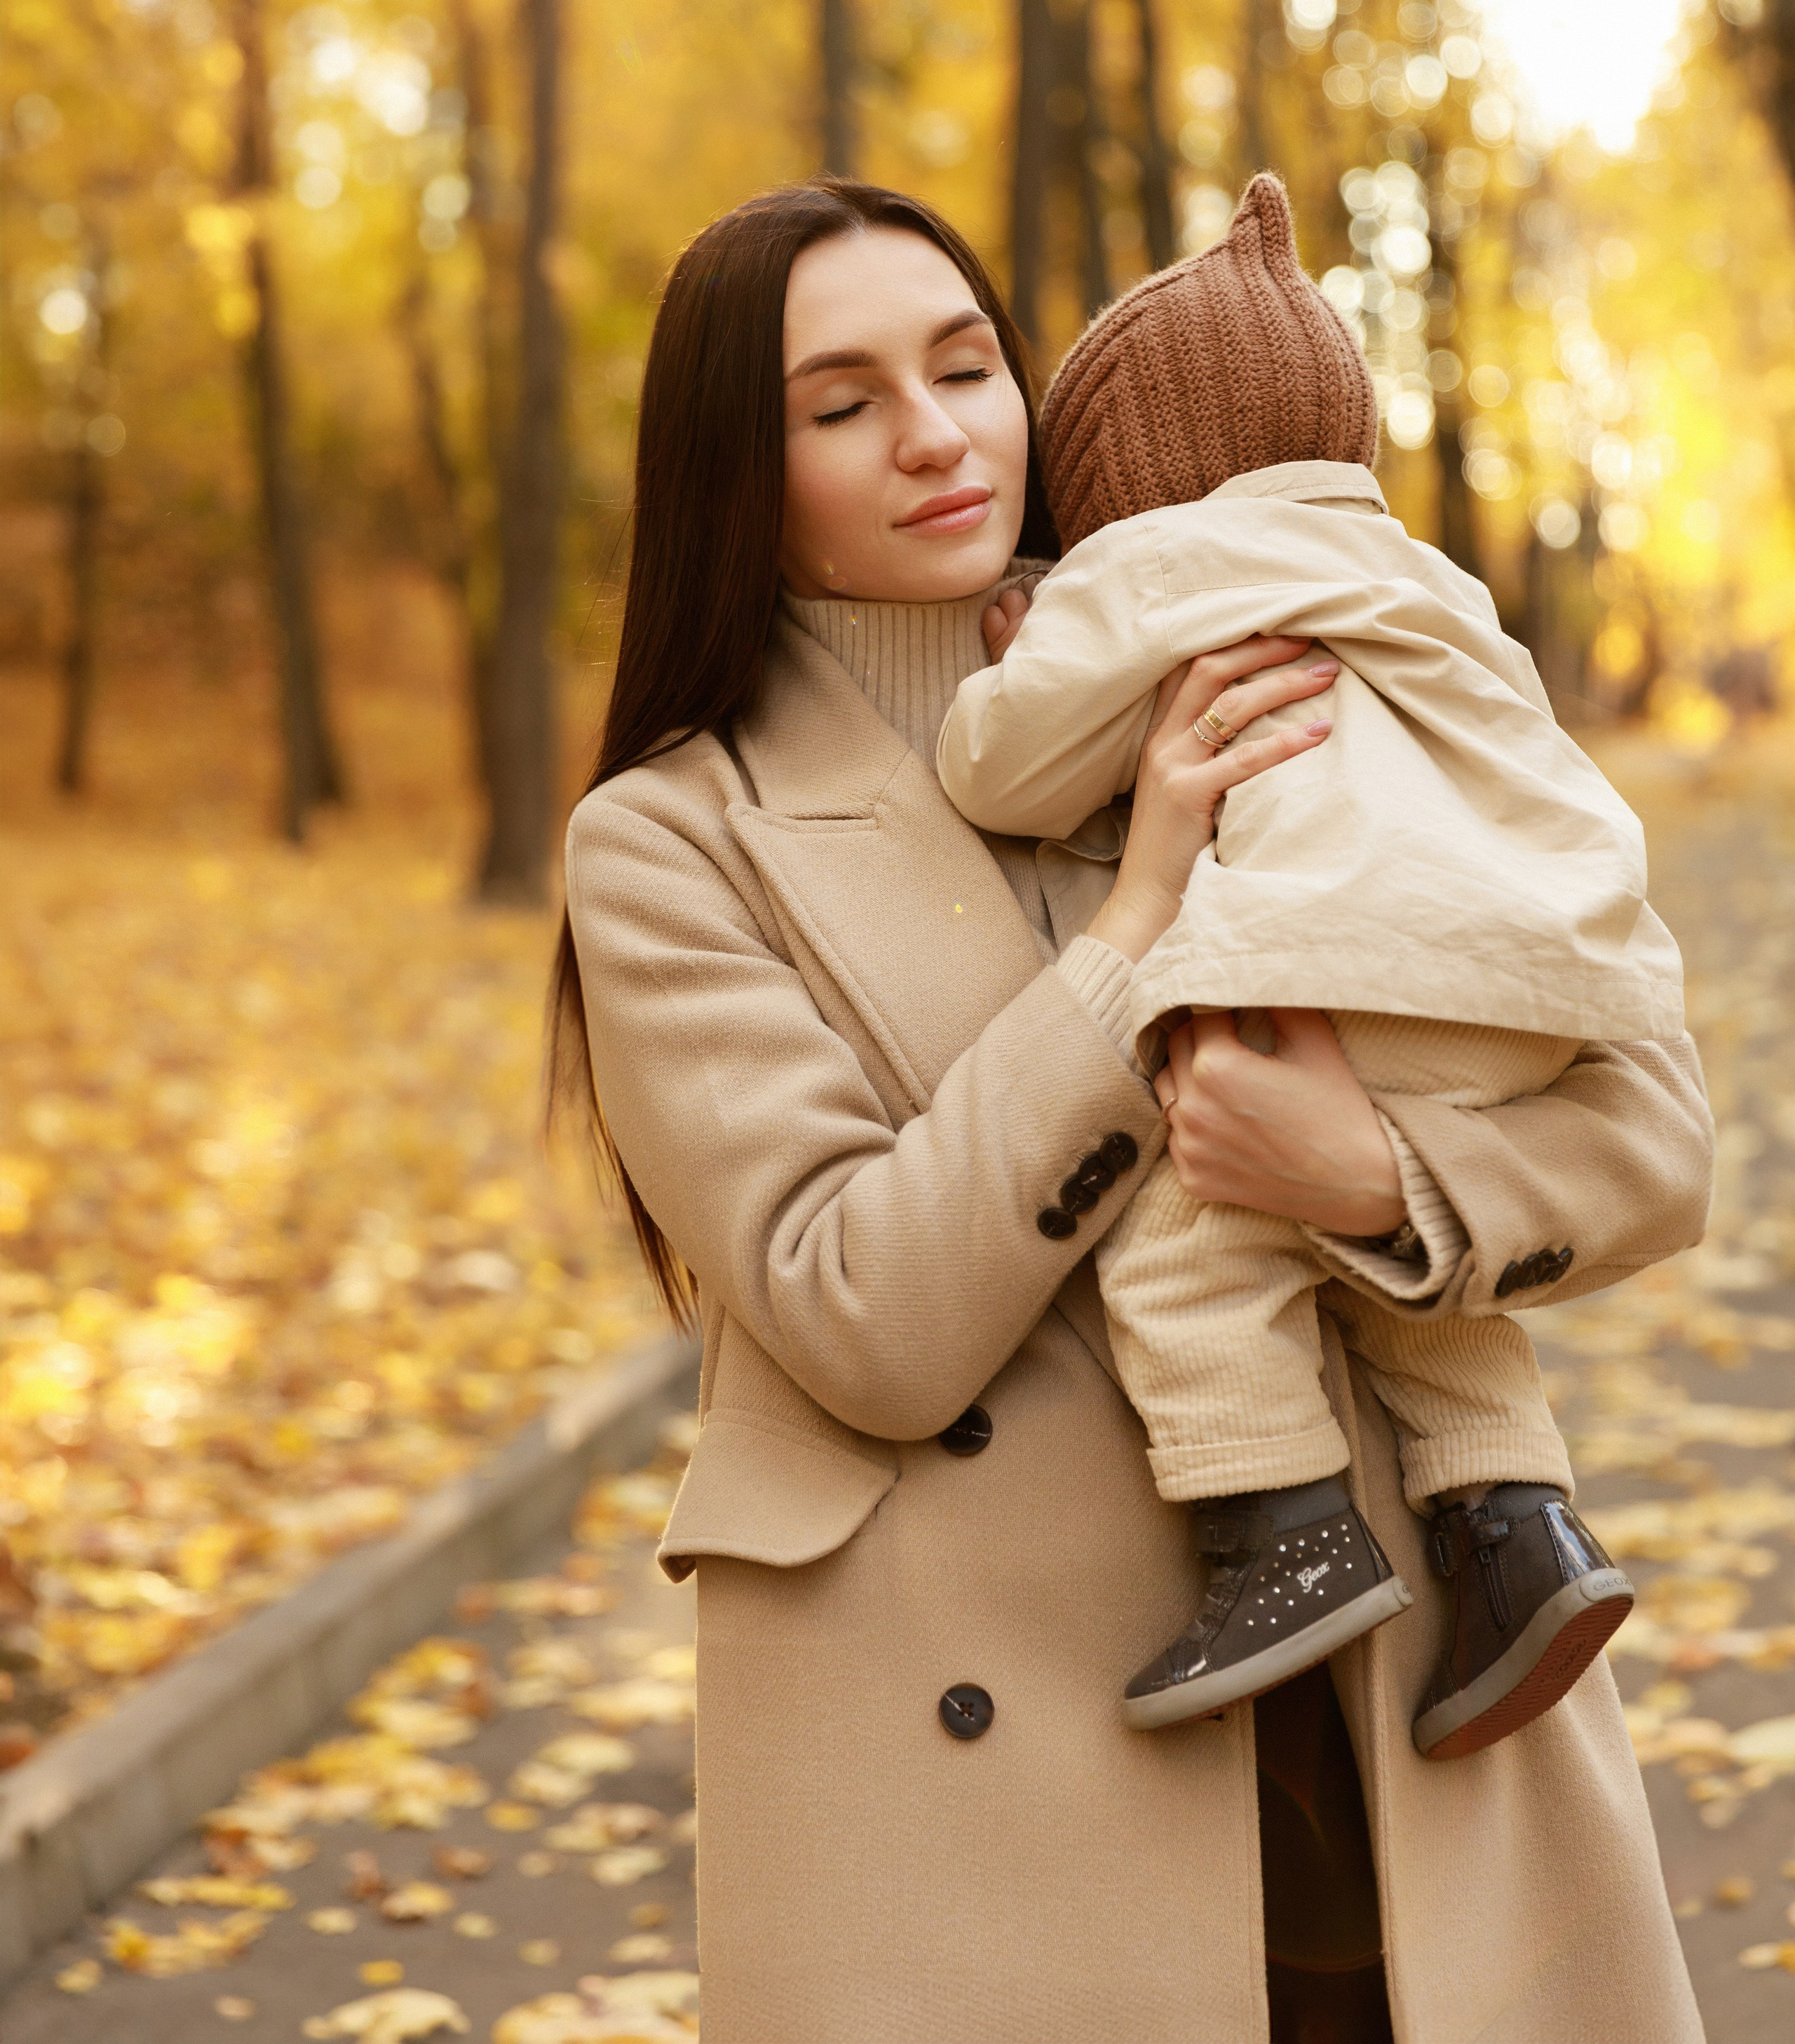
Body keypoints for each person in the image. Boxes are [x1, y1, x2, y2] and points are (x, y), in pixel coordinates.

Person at [555, 176, 1712, 2043]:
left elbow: (1653, 1127)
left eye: (966, 365)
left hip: (1403, 1708)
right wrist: (1133, 930)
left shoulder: (1259, 653)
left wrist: (1381, 1174)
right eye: (842, 404)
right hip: (981, 1792)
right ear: (734, 473)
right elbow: (863, 1313)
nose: (937, 434)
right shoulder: (674, 840)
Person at [937, 172, 1684, 1758]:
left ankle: (1276, 1528)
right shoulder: (1410, 569)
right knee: (1401, 1261)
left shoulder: (1156, 567)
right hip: (1538, 982)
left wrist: (1031, 653)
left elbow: (1001, 778)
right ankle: (1517, 1531)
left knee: (1187, 1242)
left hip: (1346, 968)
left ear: (1131, 478)